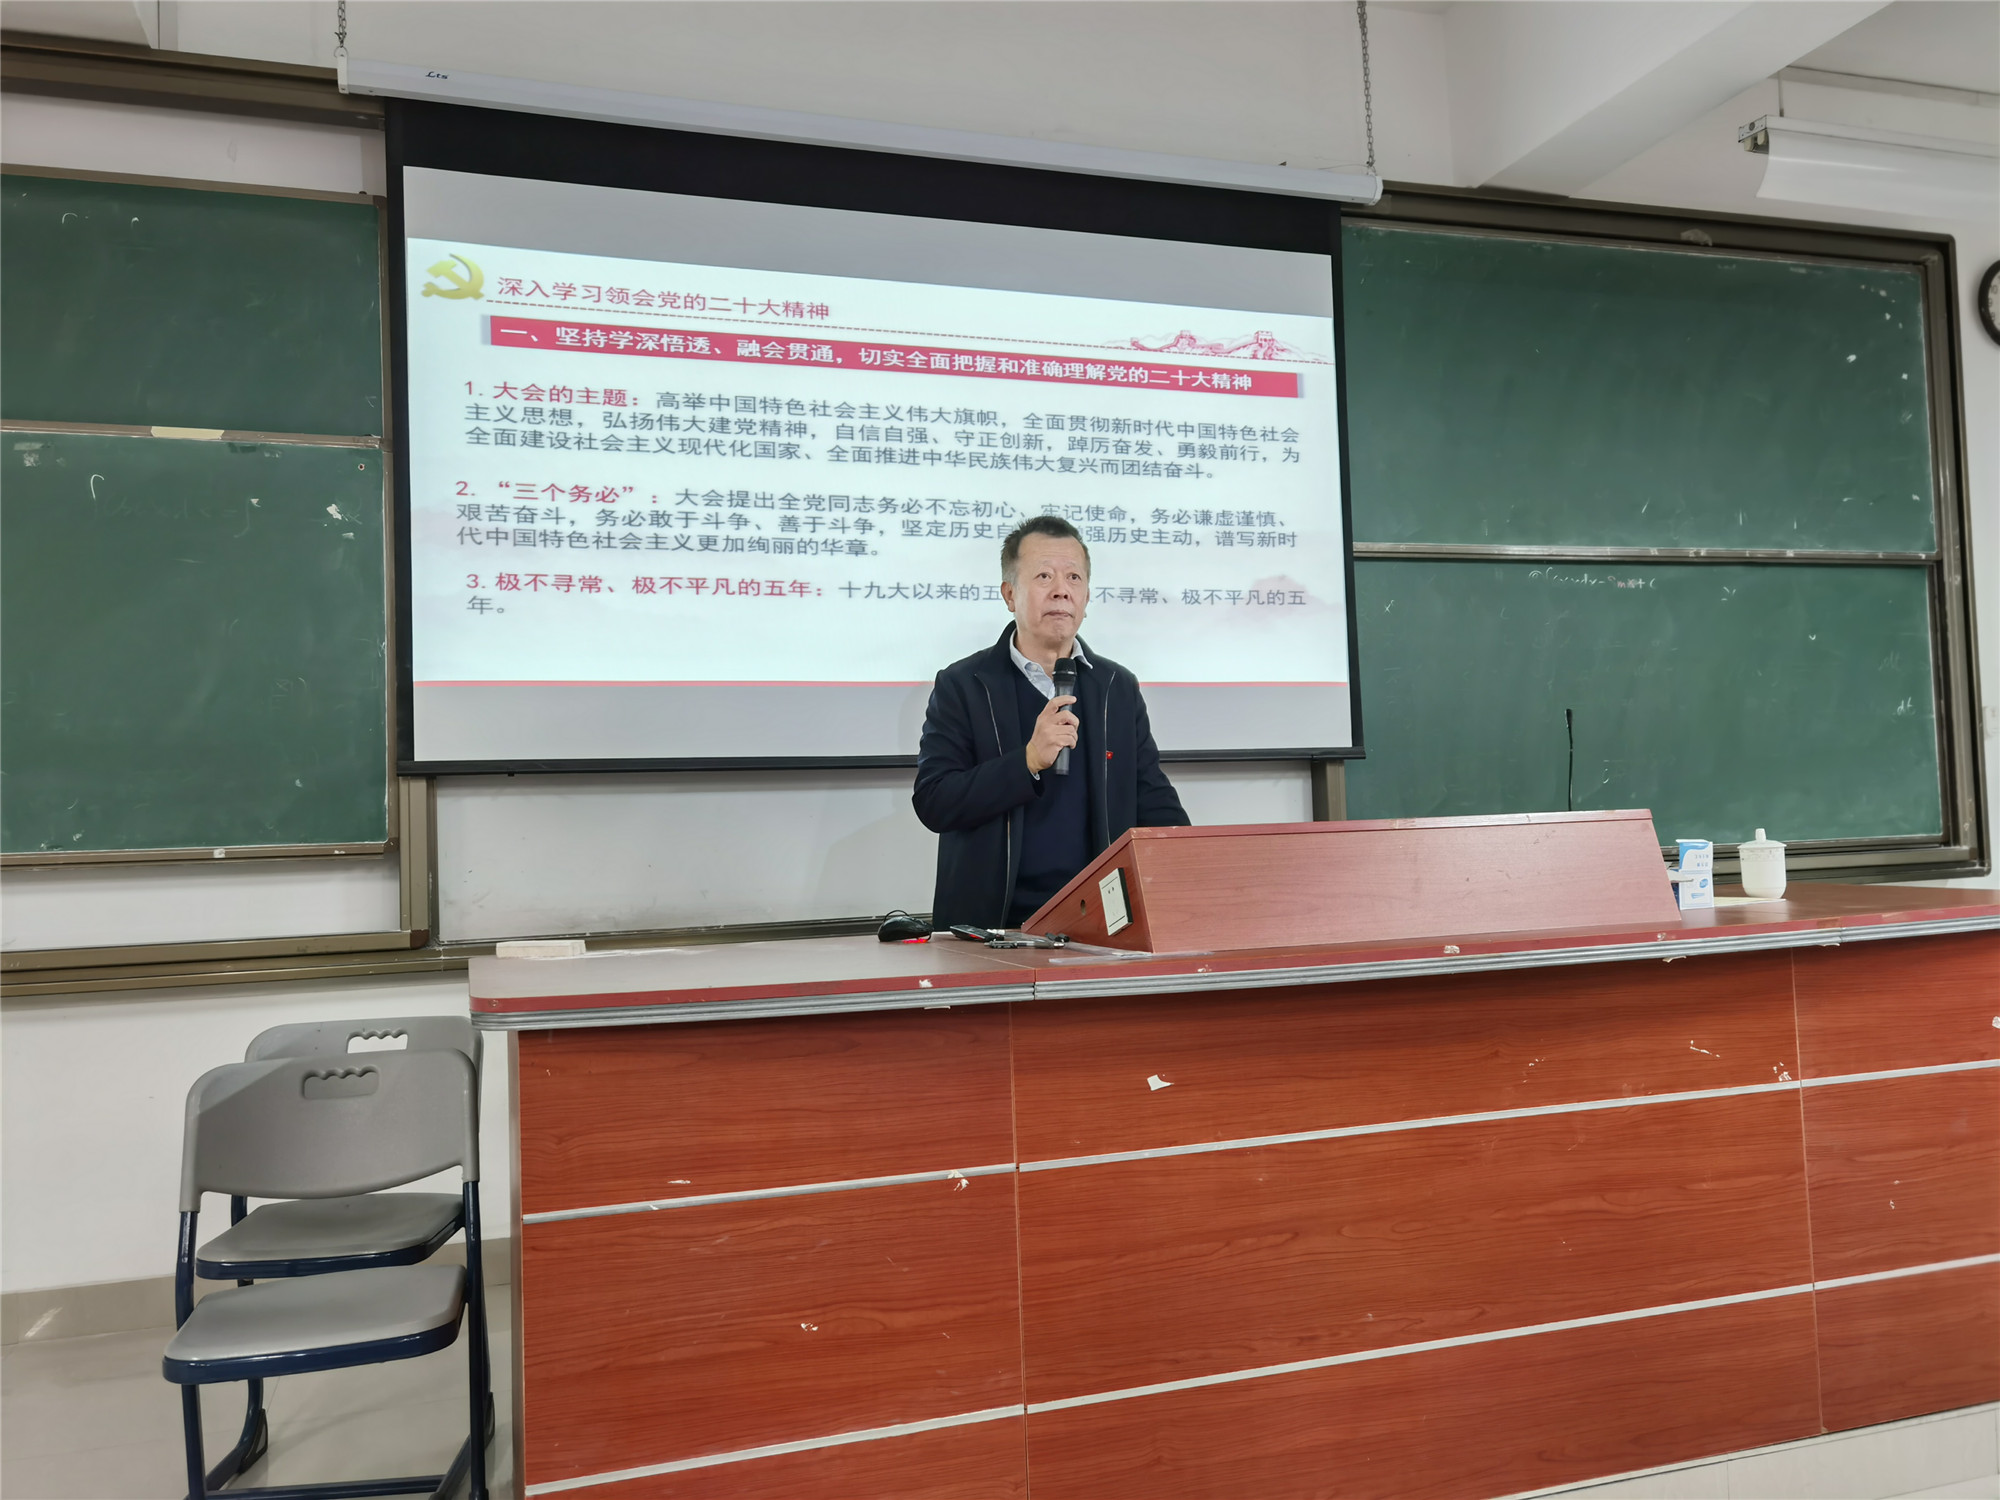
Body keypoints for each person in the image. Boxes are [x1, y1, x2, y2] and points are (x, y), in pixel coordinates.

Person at [913, 515, 1190, 930]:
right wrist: (1026, 761)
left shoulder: (1116, 686)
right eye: (1044, 576)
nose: (1062, 589)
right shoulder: (964, 685)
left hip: (1101, 923)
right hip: (992, 925)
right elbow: (934, 802)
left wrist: (1192, 866)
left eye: (1074, 577)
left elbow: (1152, 798)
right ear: (1010, 594)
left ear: (1087, 596)